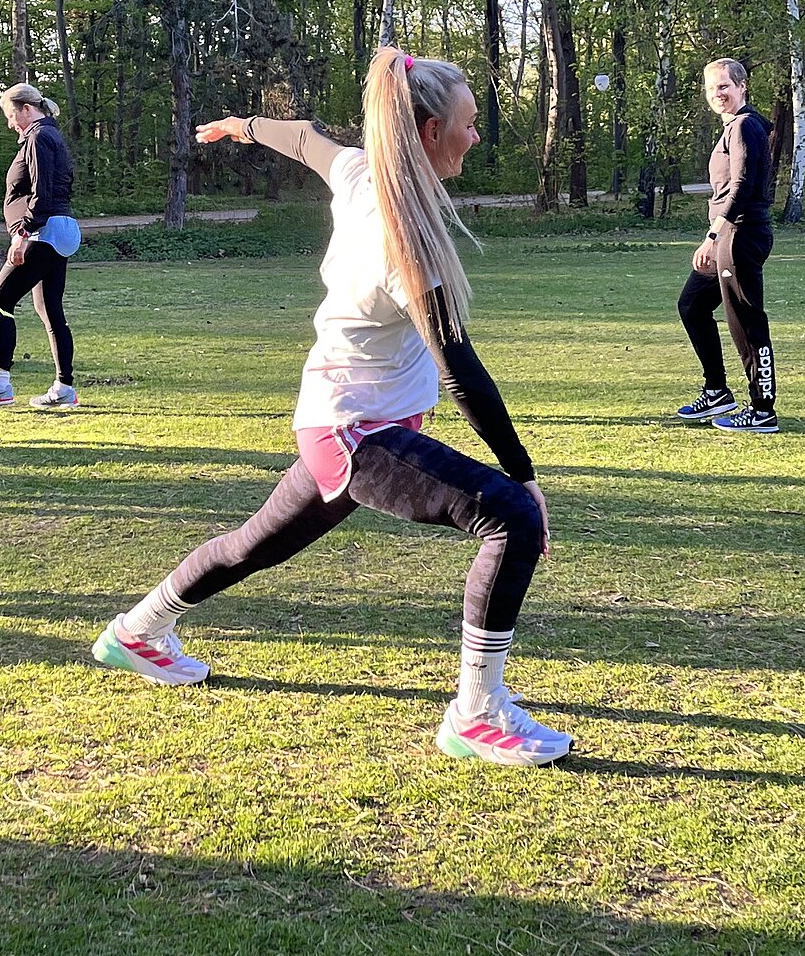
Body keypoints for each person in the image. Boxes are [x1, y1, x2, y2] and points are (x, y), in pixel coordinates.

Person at [92, 47, 572, 767]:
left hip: (336, 422)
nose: (479, 137)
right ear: (431, 129)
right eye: (471, 125)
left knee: (252, 546)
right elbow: (461, 370)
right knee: (509, 516)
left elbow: (308, 138)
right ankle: (477, 716)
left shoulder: (361, 174)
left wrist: (242, 125)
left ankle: (136, 631)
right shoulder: (400, 234)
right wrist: (524, 473)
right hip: (356, 434)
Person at [0, 83, 81, 409]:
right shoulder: (50, 134)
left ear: (26, 109)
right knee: (49, 308)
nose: (11, 123)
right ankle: (64, 388)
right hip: (61, 227)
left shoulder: (39, 137)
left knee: (0, 299)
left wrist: (22, 234)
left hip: (43, 231)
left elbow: (41, 193)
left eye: (11, 115)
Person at [676, 57, 778, 433]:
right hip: (727, 236)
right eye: (711, 88)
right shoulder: (733, 127)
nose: (717, 93)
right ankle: (717, 390)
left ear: (741, 87)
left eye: (724, 86)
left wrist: (713, 234)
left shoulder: (745, 126)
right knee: (692, 305)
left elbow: (742, 186)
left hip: (740, 235)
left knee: (746, 320)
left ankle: (762, 410)